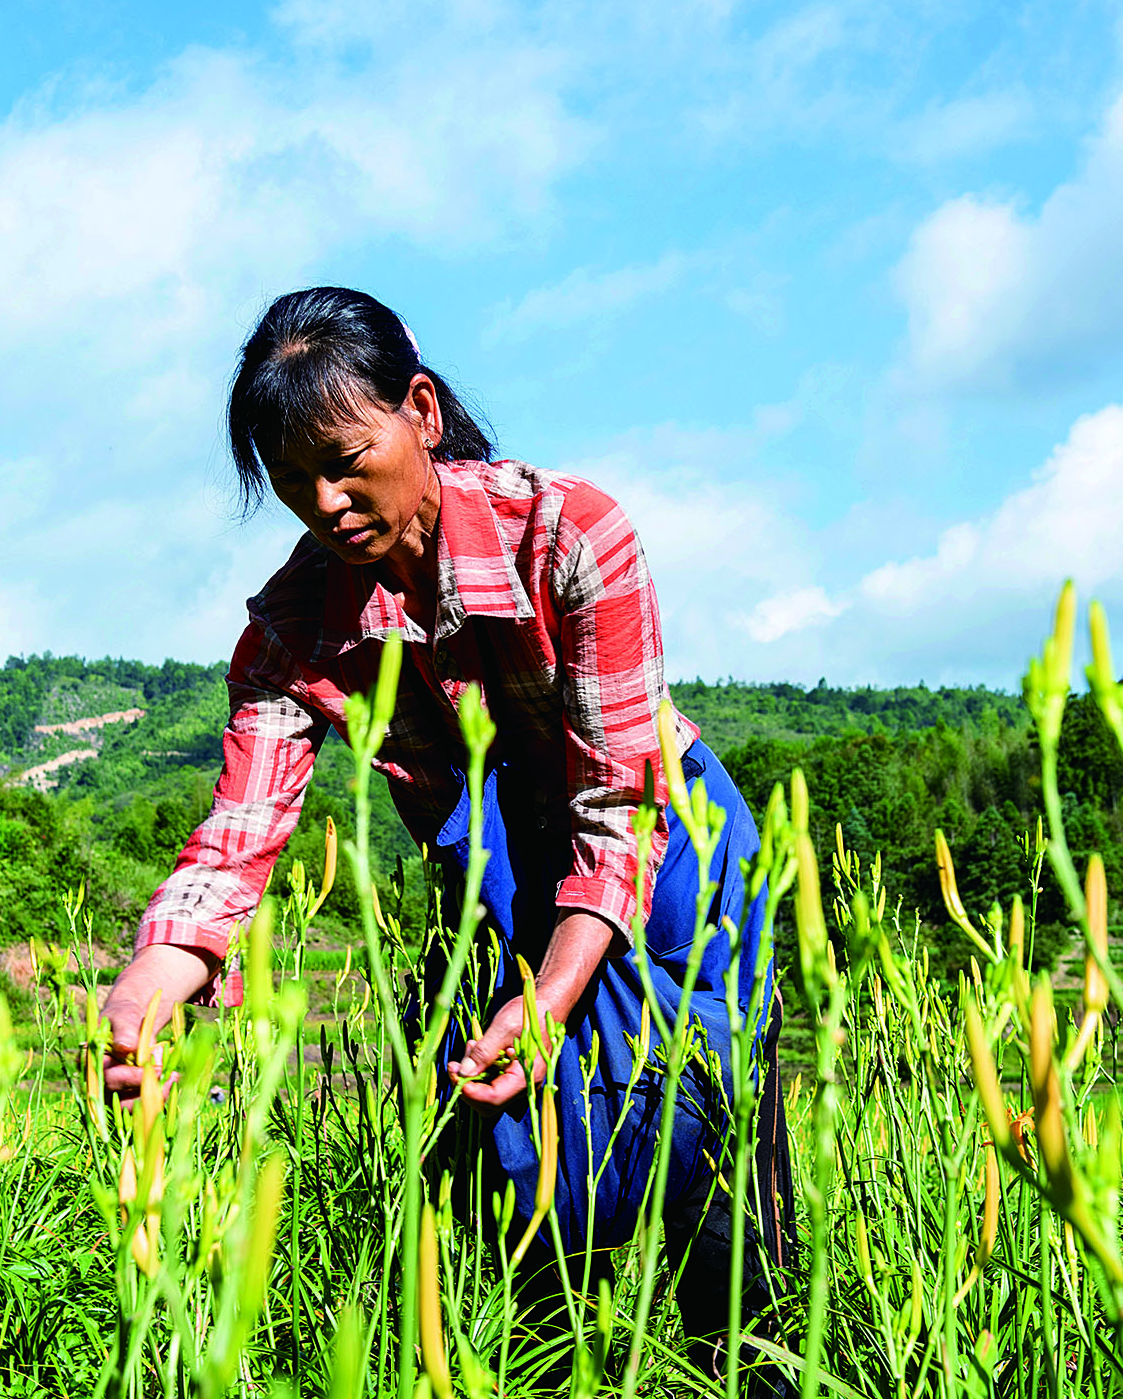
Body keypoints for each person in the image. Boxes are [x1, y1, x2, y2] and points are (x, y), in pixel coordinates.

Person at [98, 286, 791, 1382]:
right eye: (291, 481)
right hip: (495, 873)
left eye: (344, 458)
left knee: (708, 1157)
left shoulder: (569, 529)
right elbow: (239, 833)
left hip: (661, 848)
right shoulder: (292, 625)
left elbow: (618, 800)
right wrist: (150, 978)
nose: (324, 502)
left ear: (418, 409)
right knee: (524, 1197)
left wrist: (554, 990)